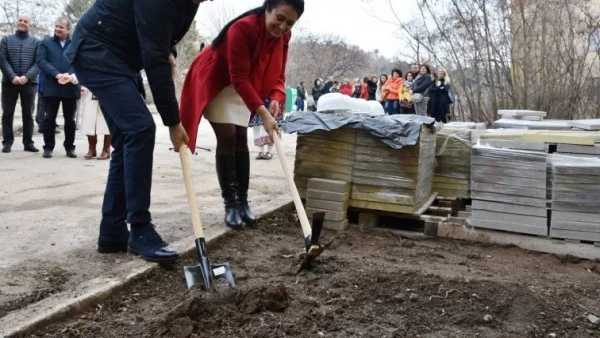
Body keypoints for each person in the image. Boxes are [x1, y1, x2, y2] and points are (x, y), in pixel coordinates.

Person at [64, 0, 206, 263]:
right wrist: (173, 122)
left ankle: (112, 231)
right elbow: (153, 54)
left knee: (126, 138)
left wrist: (171, 51)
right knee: (140, 129)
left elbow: (162, 32)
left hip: (120, 58)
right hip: (96, 50)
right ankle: (140, 229)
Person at [180, 0, 304, 230]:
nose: (283, 27)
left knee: (240, 138)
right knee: (227, 137)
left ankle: (243, 201)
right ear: (268, 9)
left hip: (246, 83)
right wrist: (264, 113)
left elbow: (279, 73)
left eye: (290, 23)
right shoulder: (242, 28)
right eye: (280, 18)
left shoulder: (284, 37)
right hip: (218, 80)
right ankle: (231, 204)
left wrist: (277, 96)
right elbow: (238, 78)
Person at [38, 17, 81, 159]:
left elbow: (79, 62)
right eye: (56, 26)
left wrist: (69, 75)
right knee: (49, 119)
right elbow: (42, 61)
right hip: (52, 87)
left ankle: (70, 148)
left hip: (70, 87)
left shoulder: (76, 43)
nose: (57, 29)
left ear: (68, 29)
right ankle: (48, 147)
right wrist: (57, 75)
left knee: (70, 120)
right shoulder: (45, 43)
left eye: (61, 27)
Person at [0, 15, 40, 153]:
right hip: (9, 83)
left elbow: (38, 62)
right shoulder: (6, 40)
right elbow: (2, 60)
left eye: (26, 21)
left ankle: (28, 142)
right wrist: (12, 76)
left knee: (28, 114)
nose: (22, 23)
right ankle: (7, 142)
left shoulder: (36, 43)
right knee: (7, 113)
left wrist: (27, 77)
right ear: (17, 22)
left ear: (30, 25)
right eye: (20, 20)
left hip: (29, 84)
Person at [78, 87, 111, 160]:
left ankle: (106, 149)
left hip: (108, 90)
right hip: (90, 91)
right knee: (90, 121)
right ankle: (91, 149)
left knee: (106, 123)